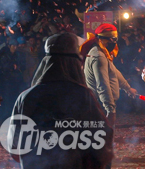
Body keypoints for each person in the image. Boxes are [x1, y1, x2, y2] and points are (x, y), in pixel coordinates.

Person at [9, 32, 113, 168]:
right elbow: (102, 141)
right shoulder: (83, 96)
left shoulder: (26, 97)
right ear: (74, 63)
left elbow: (15, 147)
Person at [82, 23, 137, 127]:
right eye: (110, 40)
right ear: (101, 39)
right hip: (100, 104)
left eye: (114, 40)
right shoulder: (99, 56)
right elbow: (102, 84)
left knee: (105, 134)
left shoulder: (103, 53)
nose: (113, 43)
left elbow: (115, 72)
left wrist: (128, 88)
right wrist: (110, 109)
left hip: (103, 103)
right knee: (101, 135)